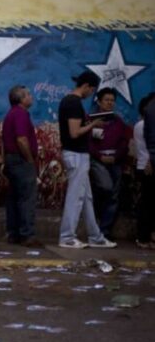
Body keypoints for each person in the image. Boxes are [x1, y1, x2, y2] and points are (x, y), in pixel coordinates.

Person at [57, 71, 116, 249]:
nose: (92, 94)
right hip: (76, 154)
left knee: (86, 198)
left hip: (78, 154)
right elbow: (74, 132)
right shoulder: (73, 103)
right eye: (92, 90)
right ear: (86, 86)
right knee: (76, 197)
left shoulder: (70, 102)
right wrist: (93, 125)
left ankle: (95, 236)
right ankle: (67, 237)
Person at [2, 85, 43, 248]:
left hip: (12, 159)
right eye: (28, 94)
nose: (31, 97)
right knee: (27, 197)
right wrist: (29, 159)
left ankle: (14, 233)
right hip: (20, 160)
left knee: (14, 198)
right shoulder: (20, 114)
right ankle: (27, 234)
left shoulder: (11, 114)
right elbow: (21, 139)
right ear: (21, 99)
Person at [88, 88, 129, 240]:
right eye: (107, 100)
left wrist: (117, 155)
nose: (110, 103)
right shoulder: (91, 120)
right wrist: (99, 156)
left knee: (114, 196)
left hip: (115, 161)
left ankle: (105, 230)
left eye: (112, 100)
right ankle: (96, 219)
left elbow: (124, 142)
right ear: (99, 101)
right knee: (105, 187)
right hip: (98, 160)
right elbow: (87, 142)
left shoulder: (118, 122)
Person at [134, 93, 155, 249]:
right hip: (148, 166)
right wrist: (151, 161)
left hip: (144, 165)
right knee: (148, 204)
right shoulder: (144, 125)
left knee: (146, 203)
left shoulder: (139, 125)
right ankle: (146, 236)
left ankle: (145, 237)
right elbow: (150, 145)